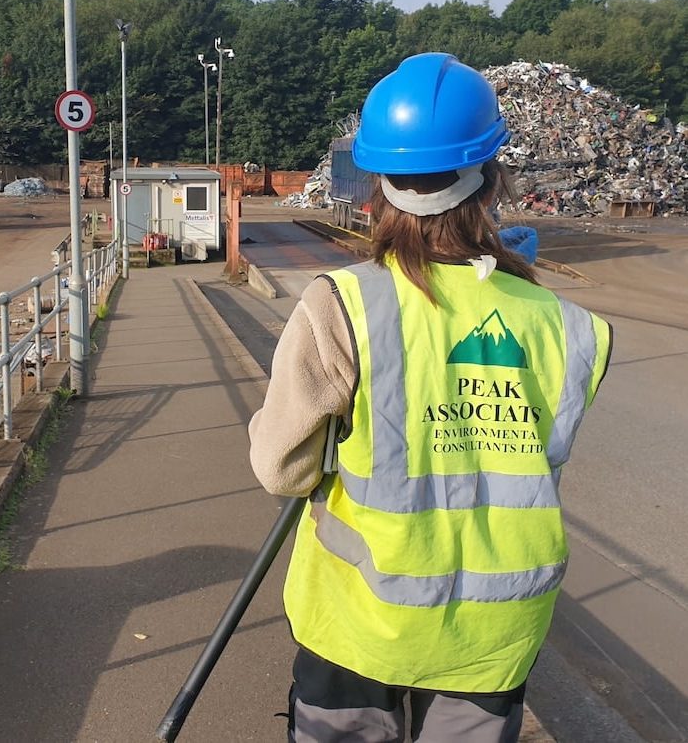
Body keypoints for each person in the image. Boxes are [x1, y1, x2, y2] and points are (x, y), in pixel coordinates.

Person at [248, 52, 612, 743]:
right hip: (494, 633)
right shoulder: (571, 328)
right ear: (493, 178)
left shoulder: (342, 304)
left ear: (377, 185)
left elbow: (283, 471)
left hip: (360, 623)